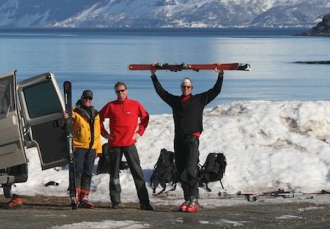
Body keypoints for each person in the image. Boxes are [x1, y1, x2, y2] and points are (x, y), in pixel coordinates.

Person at [150, 66, 224, 213]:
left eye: (188, 87)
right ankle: (187, 199)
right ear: (181, 88)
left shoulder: (199, 100)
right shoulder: (176, 101)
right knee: (181, 170)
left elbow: (215, 91)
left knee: (190, 169)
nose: (186, 89)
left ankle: (194, 198)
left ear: (192, 88)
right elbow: (161, 92)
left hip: (192, 140)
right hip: (179, 140)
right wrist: (153, 75)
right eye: (184, 87)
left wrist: (220, 75)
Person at [99, 82, 153, 210]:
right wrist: (105, 134)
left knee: (137, 173)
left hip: (129, 144)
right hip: (115, 145)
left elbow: (145, 118)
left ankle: (144, 202)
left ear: (126, 91)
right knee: (114, 174)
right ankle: (116, 201)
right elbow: (98, 119)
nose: (120, 93)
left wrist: (139, 132)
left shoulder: (135, 104)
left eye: (122, 90)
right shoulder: (111, 106)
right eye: (118, 91)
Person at [67, 89, 103, 209]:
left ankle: (84, 198)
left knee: (88, 172)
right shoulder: (74, 111)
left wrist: (98, 149)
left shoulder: (96, 113)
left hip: (92, 148)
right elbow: (66, 124)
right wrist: (65, 117)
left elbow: (97, 133)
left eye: (89, 99)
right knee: (77, 172)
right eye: (85, 98)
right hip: (79, 146)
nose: (87, 100)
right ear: (81, 98)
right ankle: (75, 196)